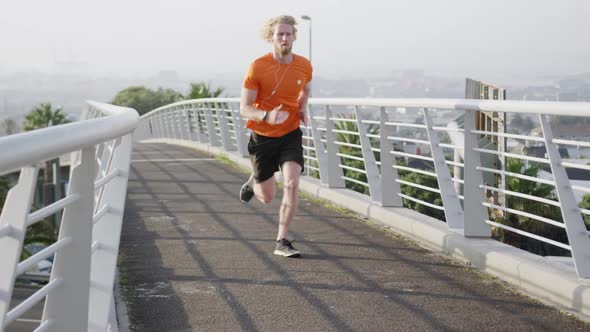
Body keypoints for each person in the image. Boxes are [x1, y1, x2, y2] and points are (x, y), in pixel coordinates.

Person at [239, 15, 312, 258]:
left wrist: (302, 109)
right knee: (267, 197)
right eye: (280, 34)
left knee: (291, 184)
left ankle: (282, 240)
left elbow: (306, 89)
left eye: (288, 34)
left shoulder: (304, 65)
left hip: (290, 134)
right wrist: (267, 116)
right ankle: (254, 181)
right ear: (272, 37)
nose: (284, 38)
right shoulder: (257, 66)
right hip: (263, 137)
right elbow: (244, 108)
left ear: (294, 37)